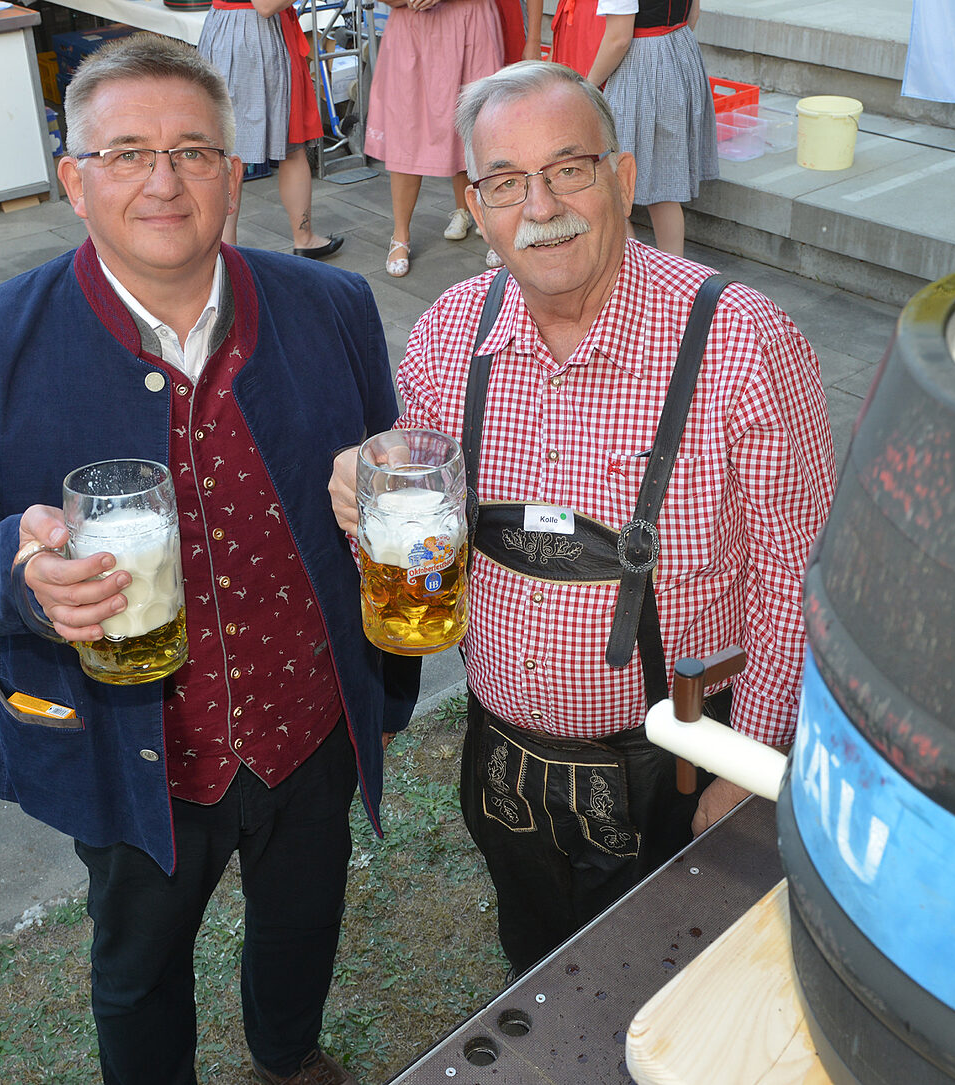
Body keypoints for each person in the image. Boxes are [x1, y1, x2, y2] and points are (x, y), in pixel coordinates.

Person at [0, 34, 419, 1085]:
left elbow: (377, 476)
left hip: (308, 719)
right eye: (126, 153)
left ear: (233, 169)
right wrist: (18, 569)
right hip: (129, 750)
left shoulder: (333, 307)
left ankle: (287, 1051)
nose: (163, 180)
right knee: (136, 965)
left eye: (193, 151)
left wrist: (383, 499)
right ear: (75, 182)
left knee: (305, 911)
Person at [329, 60, 835, 974]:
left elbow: (798, 585)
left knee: (670, 991)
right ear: (472, 203)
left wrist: (746, 771)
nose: (541, 206)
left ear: (624, 178)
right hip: (503, 757)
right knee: (537, 963)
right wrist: (364, 498)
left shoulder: (745, 341)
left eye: (569, 169)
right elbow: (418, 507)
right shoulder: (449, 333)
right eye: (507, 182)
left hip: (684, 765)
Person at [362, 0, 503, 277]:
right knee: (406, 131)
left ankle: (497, 226)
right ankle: (400, 235)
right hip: (410, 26)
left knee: (480, 127)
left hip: (468, 20)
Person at [198, 0, 345, 259]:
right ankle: (229, 251)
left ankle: (232, 248)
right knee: (241, 151)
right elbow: (266, 4)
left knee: (239, 149)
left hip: (233, 28)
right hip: (251, 35)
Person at [587, 0, 717, 256]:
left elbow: (619, 38)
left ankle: (630, 273)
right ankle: (677, 278)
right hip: (679, 47)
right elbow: (693, 13)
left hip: (642, 62)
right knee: (664, 190)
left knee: (612, 182)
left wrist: (587, 87)